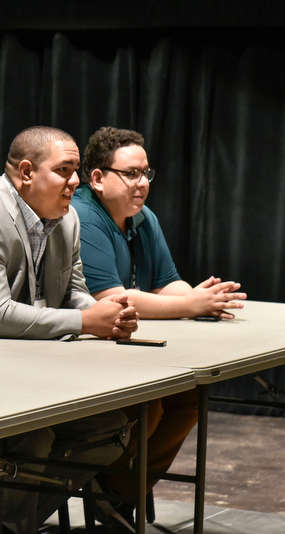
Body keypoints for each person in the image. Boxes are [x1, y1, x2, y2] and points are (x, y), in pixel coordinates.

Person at [0, 126, 139, 534]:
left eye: (76, 170)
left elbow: (74, 291)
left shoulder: (67, 217)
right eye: (65, 170)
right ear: (25, 172)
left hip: (20, 372)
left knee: (110, 430)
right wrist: (85, 322)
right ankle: (2, 525)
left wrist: (104, 314)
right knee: (32, 441)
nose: (75, 181)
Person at [71, 126, 247, 532]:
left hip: (131, 346)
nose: (142, 184)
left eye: (147, 173)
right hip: (83, 347)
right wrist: (189, 305)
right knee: (147, 406)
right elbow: (113, 298)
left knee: (188, 398)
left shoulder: (143, 217)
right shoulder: (83, 217)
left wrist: (201, 301)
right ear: (97, 178)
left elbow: (168, 282)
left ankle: (117, 491)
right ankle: (114, 492)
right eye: (131, 173)